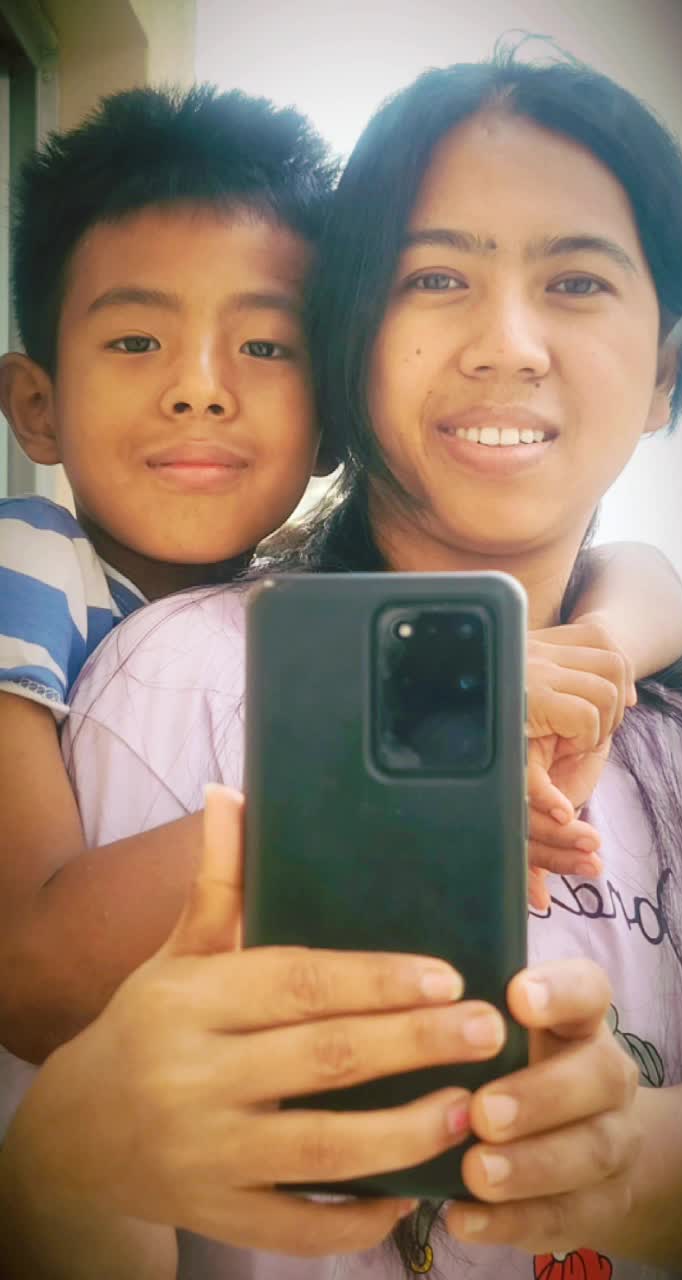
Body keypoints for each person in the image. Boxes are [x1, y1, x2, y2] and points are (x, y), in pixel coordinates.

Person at [51, 49, 682, 1280]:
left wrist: (625, 1150)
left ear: (666, 372)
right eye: (436, 276)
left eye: (576, 279)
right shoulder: (180, 676)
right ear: (351, 343)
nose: (508, 344)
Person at [0, 82, 336, 1080]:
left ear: (333, 418)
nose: (198, 387)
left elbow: (630, 576)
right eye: (137, 340)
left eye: (265, 345)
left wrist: (611, 642)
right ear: (37, 406)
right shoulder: (28, 560)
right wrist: (359, 801)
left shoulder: (294, 595)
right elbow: (25, 969)